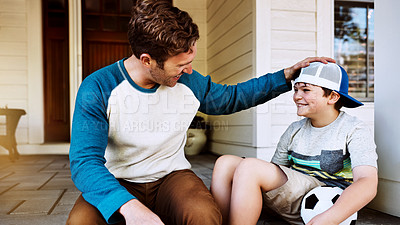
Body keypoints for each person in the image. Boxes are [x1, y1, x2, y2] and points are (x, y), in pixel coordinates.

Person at [66, 0, 335, 224]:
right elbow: (85, 162)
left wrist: (285, 76)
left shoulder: (187, 81)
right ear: (147, 60)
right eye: (181, 65)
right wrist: (130, 207)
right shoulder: (98, 88)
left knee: (204, 215)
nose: (189, 71)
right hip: (118, 180)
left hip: (170, 178)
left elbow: (232, 97)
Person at [211, 62, 378, 225]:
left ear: (333, 96)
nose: (297, 96)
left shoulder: (353, 129)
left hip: (324, 207)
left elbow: (367, 182)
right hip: (293, 198)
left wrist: (330, 218)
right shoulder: (294, 130)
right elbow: (275, 170)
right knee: (225, 162)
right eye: (296, 89)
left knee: (249, 167)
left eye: (306, 90)